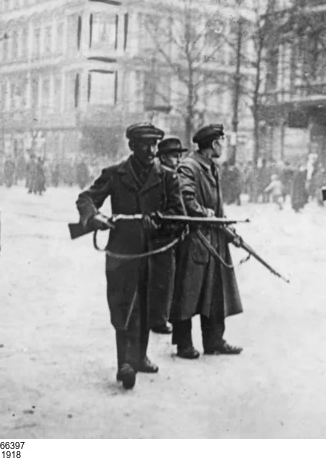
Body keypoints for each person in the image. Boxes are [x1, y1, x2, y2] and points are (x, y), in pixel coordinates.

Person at [76, 123, 184, 390]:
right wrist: (94, 217)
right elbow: (86, 198)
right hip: (121, 252)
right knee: (123, 305)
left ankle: (140, 355)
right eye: (145, 144)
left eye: (154, 144)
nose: (151, 150)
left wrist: (160, 222)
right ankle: (125, 362)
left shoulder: (168, 177)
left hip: (154, 253)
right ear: (132, 146)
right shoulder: (115, 174)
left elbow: (178, 216)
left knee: (147, 307)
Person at [170, 124, 243, 359]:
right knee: (188, 292)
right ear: (213, 144)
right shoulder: (189, 167)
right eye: (222, 141)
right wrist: (205, 214)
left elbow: (218, 206)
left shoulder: (212, 167)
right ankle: (184, 345)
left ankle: (214, 341)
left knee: (215, 292)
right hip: (195, 238)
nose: (224, 146)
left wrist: (227, 228)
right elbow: (185, 198)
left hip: (214, 238)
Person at [151, 136, 188, 334]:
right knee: (165, 279)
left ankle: (153, 317)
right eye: (175, 156)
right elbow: (178, 209)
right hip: (166, 236)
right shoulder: (170, 176)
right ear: (164, 158)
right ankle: (159, 320)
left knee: (152, 279)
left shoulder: (153, 173)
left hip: (150, 233)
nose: (178, 160)